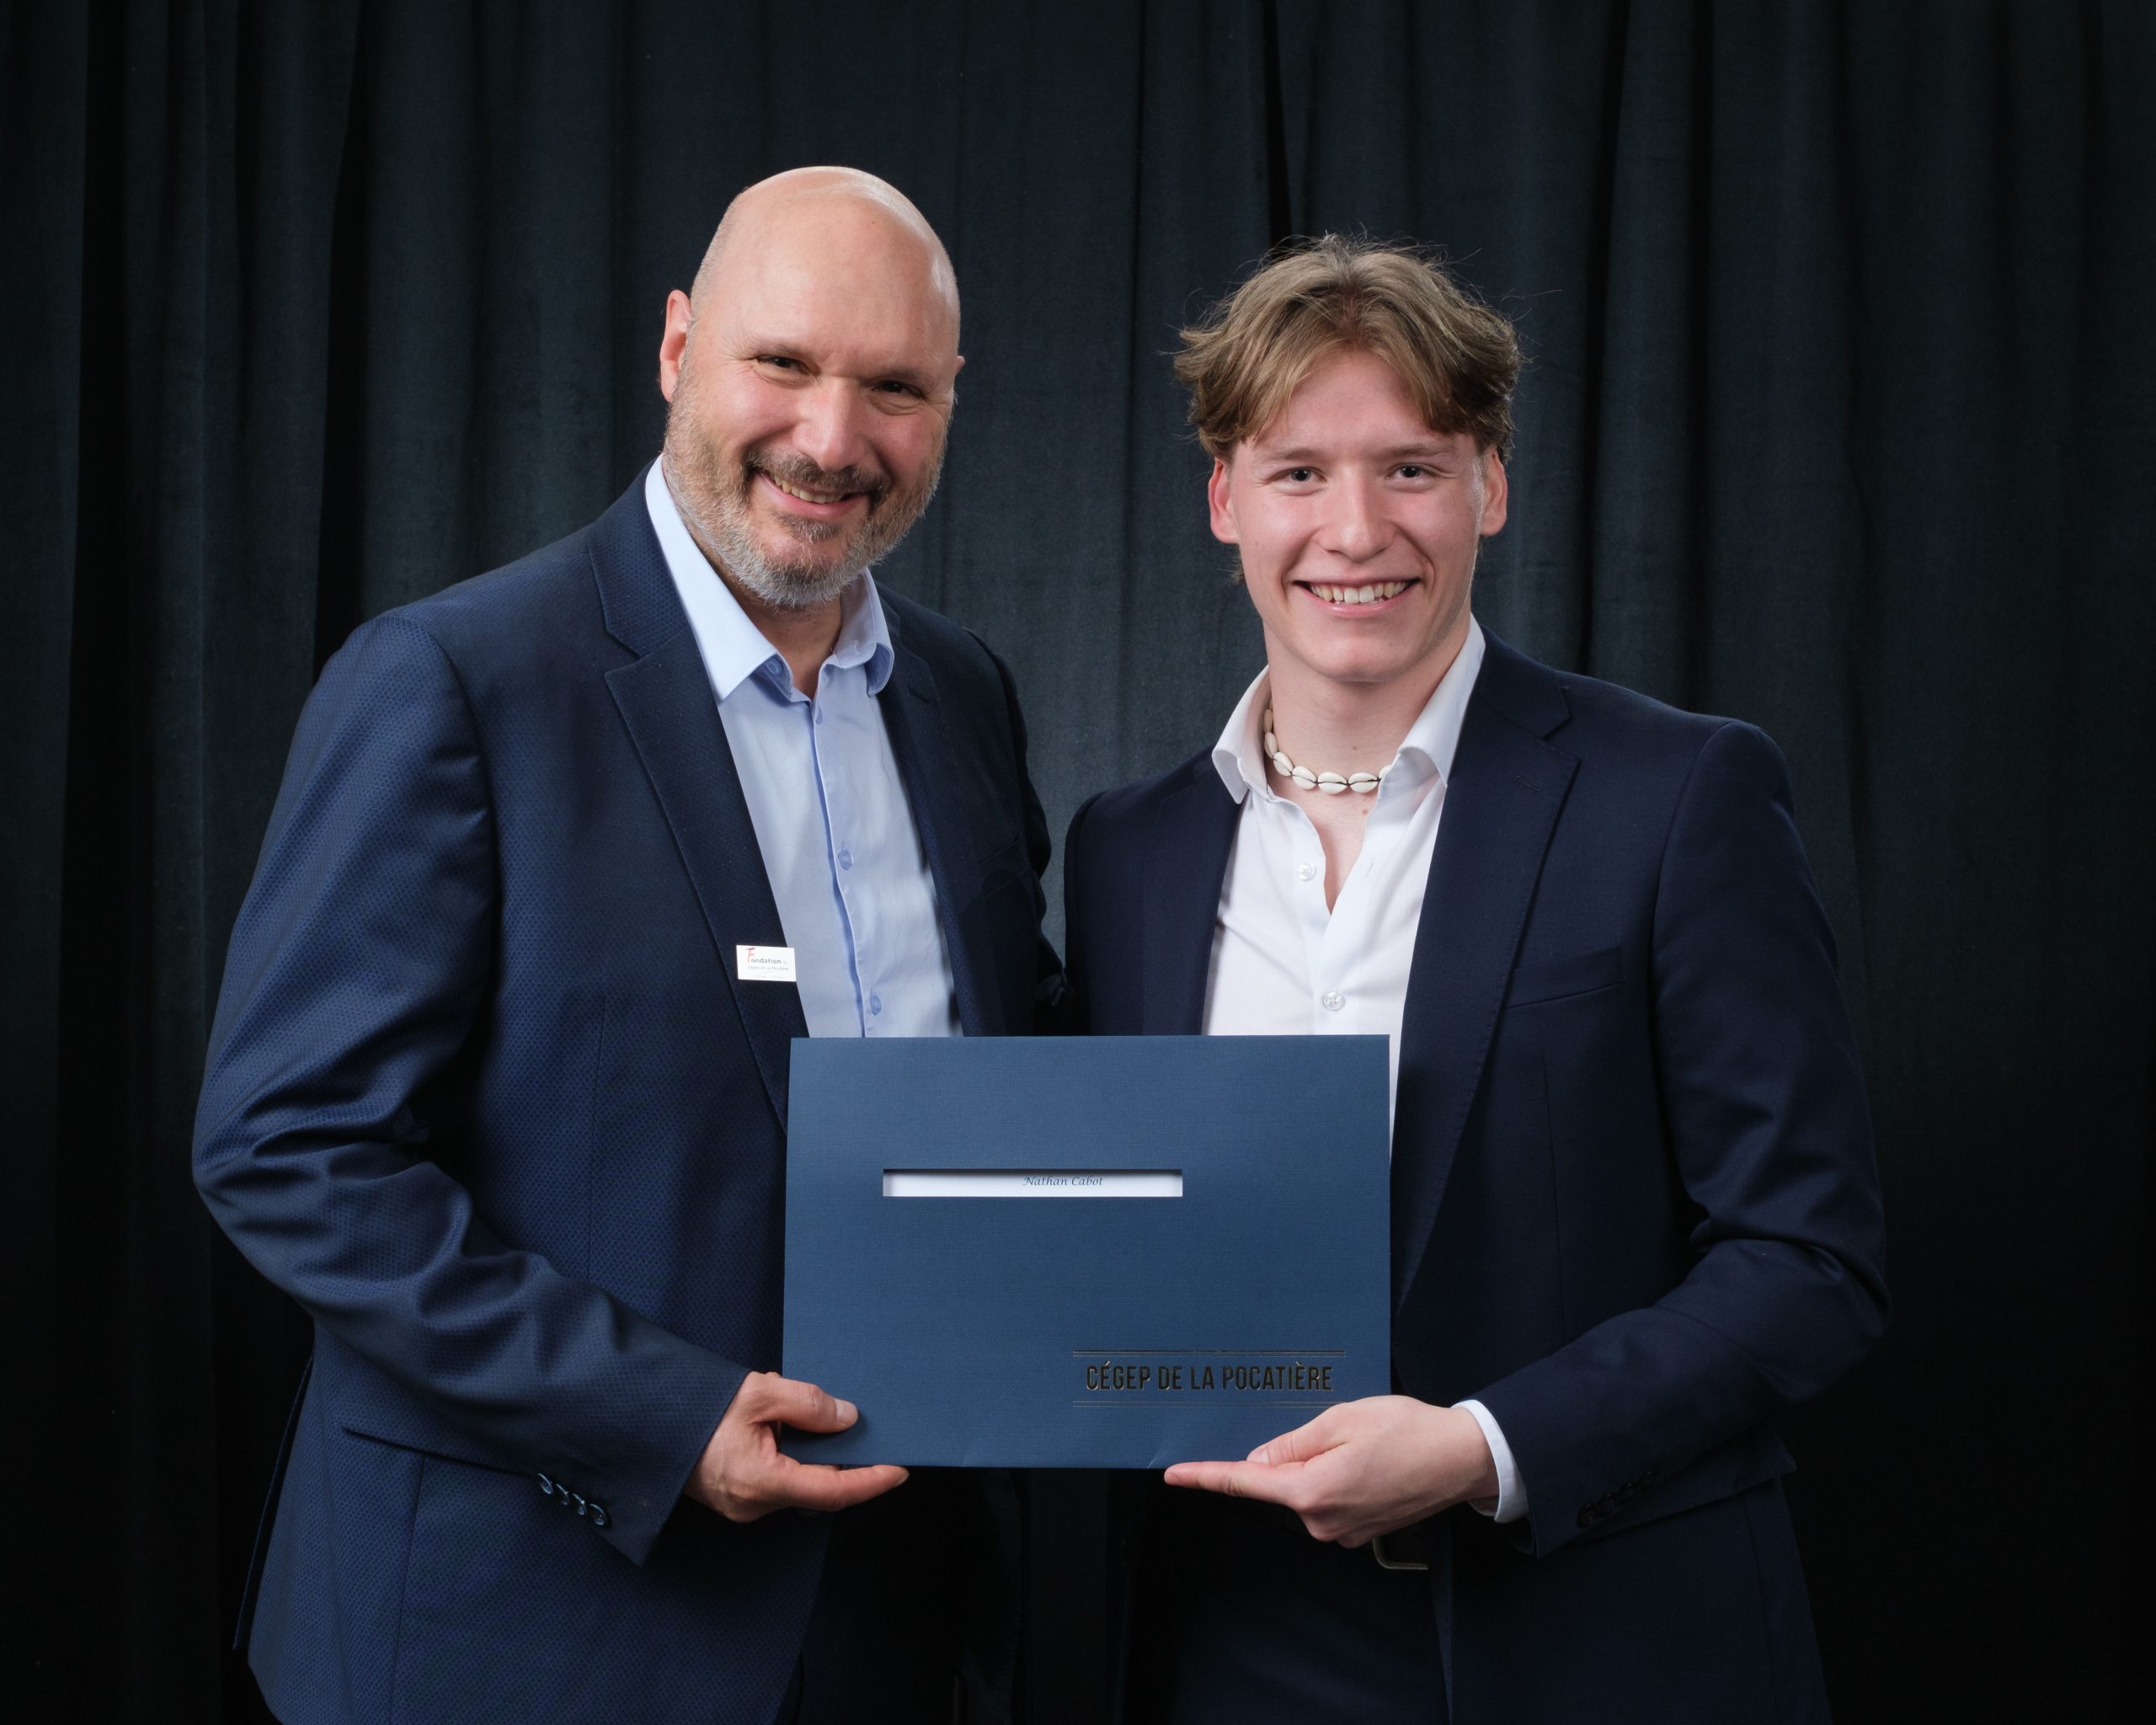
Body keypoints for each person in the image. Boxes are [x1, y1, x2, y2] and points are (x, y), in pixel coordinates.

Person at [193, 167, 1059, 1725]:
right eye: (782, 363)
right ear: (676, 348)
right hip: (524, 1628)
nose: (832, 437)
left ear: (951, 401)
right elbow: (288, 1146)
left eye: (895, 388)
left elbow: (1013, 1096)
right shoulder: (453, 680)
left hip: (890, 1620)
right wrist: (652, 1414)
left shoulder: (963, 697)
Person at [1059, 236, 1887, 1722]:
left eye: (1412, 468)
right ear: (1225, 501)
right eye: (1299, 472)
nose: (1356, 529)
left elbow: (1809, 1263)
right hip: (1230, 1642)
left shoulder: (1678, 795)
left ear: (1491, 486)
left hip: (1601, 1637)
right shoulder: (1126, 853)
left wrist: (1482, 1448)